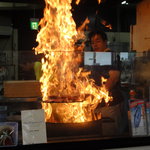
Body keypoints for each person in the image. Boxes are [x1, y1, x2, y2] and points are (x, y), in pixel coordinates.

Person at [87, 30, 128, 136]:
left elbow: (114, 77)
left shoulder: (110, 55)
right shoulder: (98, 57)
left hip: (111, 105)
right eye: (92, 42)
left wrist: (99, 96)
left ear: (105, 42)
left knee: (110, 137)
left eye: (98, 41)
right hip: (101, 105)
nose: (95, 45)